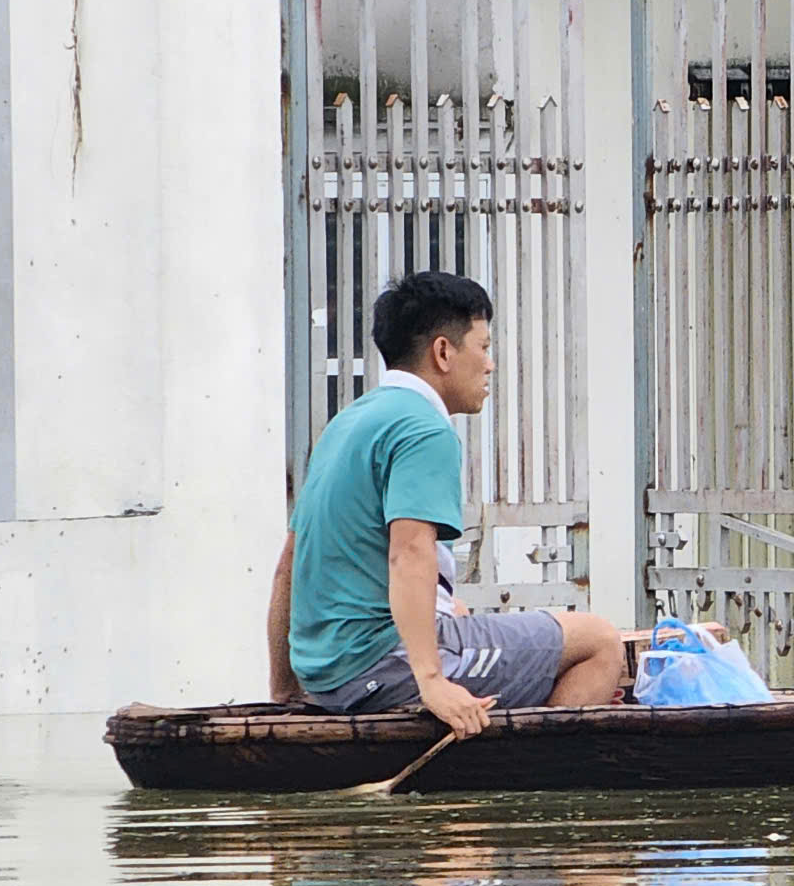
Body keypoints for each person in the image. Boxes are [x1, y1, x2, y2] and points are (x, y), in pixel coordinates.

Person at [268, 270, 625, 736]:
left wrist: (284, 689)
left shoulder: (347, 424)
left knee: (459, 613)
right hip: (381, 667)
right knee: (598, 641)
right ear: (443, 352)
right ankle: (531, 789)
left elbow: (290, 564)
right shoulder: (424, 429)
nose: (490, 364)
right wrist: (432, 680)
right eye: (484, 346)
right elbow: (409, 552)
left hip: (328, 675)